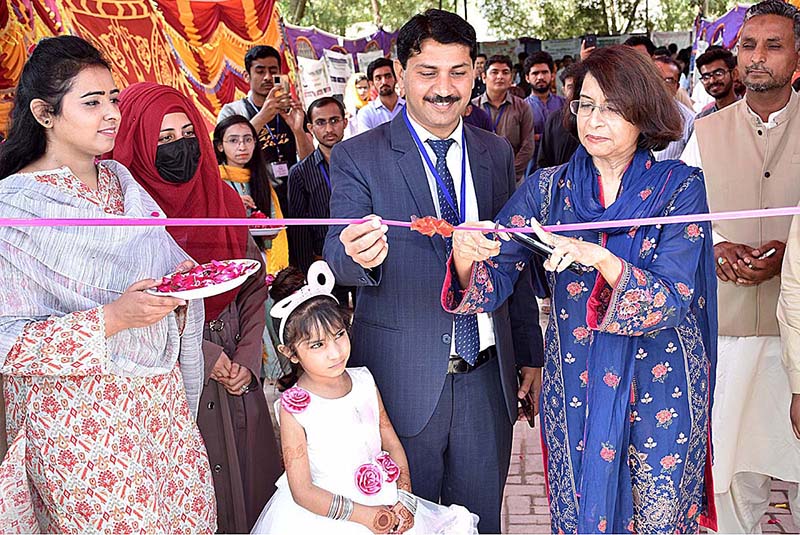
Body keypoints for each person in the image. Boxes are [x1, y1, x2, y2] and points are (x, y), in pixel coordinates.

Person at [446, 45, 718, 533]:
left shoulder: (681, 187)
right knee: (580, 509)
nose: (595, 119)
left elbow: (675, 296)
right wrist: (468, 260)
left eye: (611, 107)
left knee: (658, 515)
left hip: (661, 381)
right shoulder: (546, 191)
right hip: (578, 380)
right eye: (586, 104)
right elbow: (497, 274)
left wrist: (602, 259)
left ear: (643, 112)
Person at [323, 10, 543, 533]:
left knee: (478, 520)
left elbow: (513, 257)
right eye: (427, 72)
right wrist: (359, 255)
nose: (444, 89)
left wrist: (529, 353)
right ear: (399, 72)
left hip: (486, 377)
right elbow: (335, 254)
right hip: (401, 383)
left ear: (475, 72)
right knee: (405, 519)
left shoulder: (493, 151)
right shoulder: (359, 156)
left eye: (458, 72)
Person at [0, 35, 216, 531]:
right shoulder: (13, 208)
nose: (112, 113)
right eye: (92, 102)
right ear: (44, 113)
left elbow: (162, 263)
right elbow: (7, 340)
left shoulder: (123, 181)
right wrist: (111, 319)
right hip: (82, 426)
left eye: (114, 99)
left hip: (160, 414)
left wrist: (179, 289)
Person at [111, 82, 282, 533]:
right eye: (163, 140)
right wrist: (207, 356)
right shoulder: (126, 219)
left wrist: (246, 357)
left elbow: (251, 283)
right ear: (136, 143)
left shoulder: (223, 199)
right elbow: (125, 300)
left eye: (188, 133)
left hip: (237, 371)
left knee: (252, 487)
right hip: (174, 365)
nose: (180, 148)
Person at [681, 1, 800, 531]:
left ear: (797, 56)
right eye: (748, 46)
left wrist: (790, 251)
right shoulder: (706, 133)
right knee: (729, 472)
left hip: (796, 333)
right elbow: (681, 218)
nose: (757, 58)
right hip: (729, 330)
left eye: (773, 45)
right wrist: (717, 246)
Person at [251, 261, 478, 534]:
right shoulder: (294, 408)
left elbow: (392, 444)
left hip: (383, 501)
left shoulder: (363, 381)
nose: (335, 352)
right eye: (317, 345)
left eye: (339, 335)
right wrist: (364, 516)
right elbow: (303, 490)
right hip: (326, 518)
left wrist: (405, 499)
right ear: (290, 353)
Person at [217, 45, 314, 213]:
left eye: (273, 70)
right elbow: (228, 152)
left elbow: (309, 159)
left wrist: (297, 129)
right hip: (255, 194)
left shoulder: (291, 110)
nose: (268, 77)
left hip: (294, 194)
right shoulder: (232, 111)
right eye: (260, 71)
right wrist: (262, 116)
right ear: (247, 76)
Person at [213, 114, 289, 276]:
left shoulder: (262, 180)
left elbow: (274, 223)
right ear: (220, 146)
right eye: (233, 140)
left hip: (264, 260)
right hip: (228, 263)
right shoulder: (213, 181)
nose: (242, 147)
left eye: (248, 139)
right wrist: (233, 206)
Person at [472, 55, 535, 183]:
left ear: (510, 78)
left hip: (513, 178)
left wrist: (509, 173)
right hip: (479, 178)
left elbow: (528, 146)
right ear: (484, 77)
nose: (500, 76)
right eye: (494, 72)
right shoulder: (472, 108)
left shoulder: (522, 107)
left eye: (505, 72)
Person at [536, 62, 582, 169]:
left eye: (579, 87)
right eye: (570, 87)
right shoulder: (554, 118)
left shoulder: (595, 118)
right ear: (564, 90)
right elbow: (543, 158)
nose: (575, 91)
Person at [523, 51, 565, 166]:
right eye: (535, 73)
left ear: (552, 76)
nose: (540, 77)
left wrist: (538, 137)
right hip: (531, 171)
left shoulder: (564, 104)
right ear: (527, 78)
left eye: (544, 72)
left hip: (562, 169)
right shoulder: (521, 108)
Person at [653, 56, 695, 161]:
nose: (661, 85)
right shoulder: (633, 113)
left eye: (668, 80)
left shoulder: (689, 120)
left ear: (676, 87)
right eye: (656, 77)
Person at [357, 58, 406, 133]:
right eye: (378, 78)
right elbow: (367, 142)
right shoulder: (366, 113)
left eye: (388, 76)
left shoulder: (409, 108)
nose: (384, 82)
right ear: (371, 83)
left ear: (396, 78)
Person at [694, 48, 741, 120]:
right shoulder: (703, 119)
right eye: (706, 77)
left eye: (718, 74)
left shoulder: (752, 114)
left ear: (734, 74)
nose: (712, 81)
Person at [344, 73, 370, 138]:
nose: (363, 91)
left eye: (365, 87)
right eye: (359, 88)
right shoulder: (350, 108)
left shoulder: (371, 105)